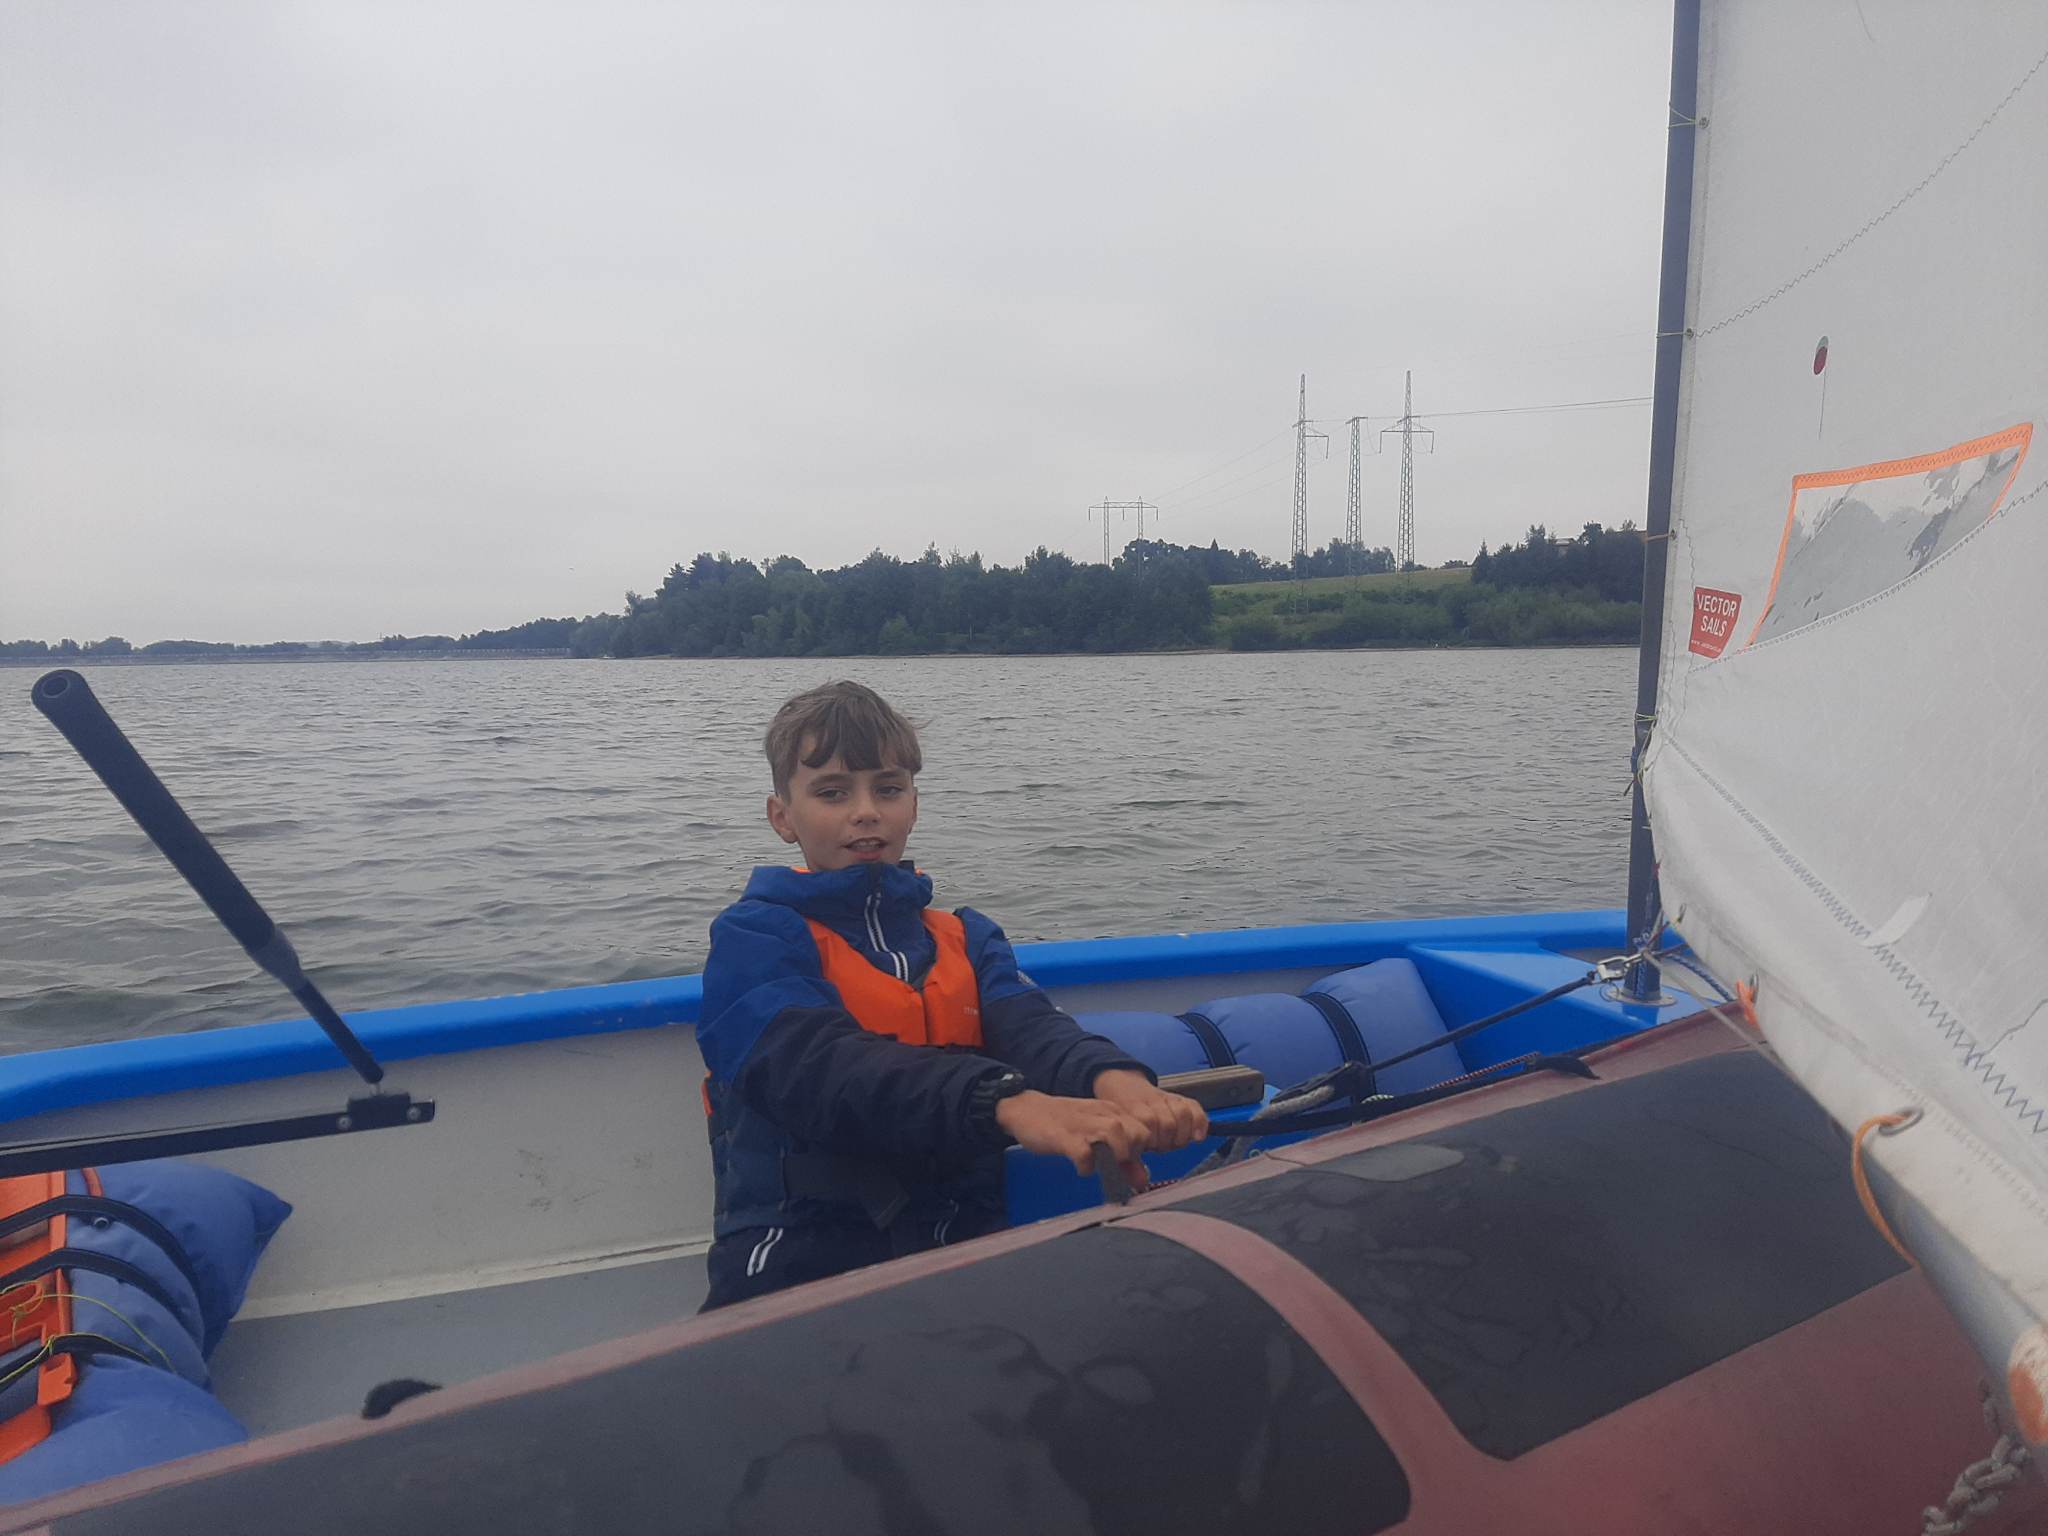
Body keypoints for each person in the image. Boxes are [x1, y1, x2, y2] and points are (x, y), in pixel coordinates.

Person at [696, 680, 1207, 1309]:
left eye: (888, 789)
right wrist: (1003, 1102)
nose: (866, 811)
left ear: (914, 805)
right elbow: (811, 1064)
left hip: (961, 1239)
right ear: (783, 817)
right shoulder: (753, 939)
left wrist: (1113, 1079)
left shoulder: (967, 937)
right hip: (800, 1254)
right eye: (832, 792)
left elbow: (1033, 1028)